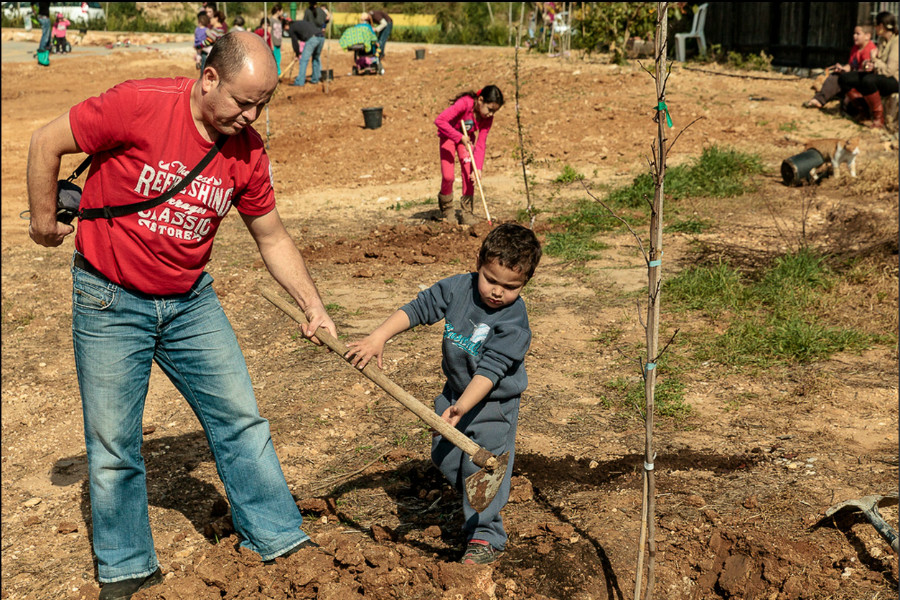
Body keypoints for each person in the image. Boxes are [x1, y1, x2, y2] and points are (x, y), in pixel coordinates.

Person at [26, 31, 336, 600]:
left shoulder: (249, 153)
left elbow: (270, 236)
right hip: (110, 299)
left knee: (240, 420)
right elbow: (47, 141)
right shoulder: (139, 104)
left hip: (191, 301)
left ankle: (276, 536)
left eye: (263, 103)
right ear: (210, 77)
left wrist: (314, 306)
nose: (252, 115)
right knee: (115, 447)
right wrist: (43, 221)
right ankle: (127, 569)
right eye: (244, 101)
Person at [345, 223, 542, 566]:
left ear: (524, 283)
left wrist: (462, 407)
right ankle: (471, 498)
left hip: (493, 405)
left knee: (484, 472)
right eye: (491, 280)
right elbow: (419, 308)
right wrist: (379, 337)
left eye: (511, 287)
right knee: (444, 456)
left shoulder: (514, 320)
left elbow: (491, 370)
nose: (498, 292)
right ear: (478, 263)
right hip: (454, 393)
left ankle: (486, 535)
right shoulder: (458, 288)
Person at [433, 86, 504, 225]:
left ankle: (467, 212)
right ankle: (447, 209)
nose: (491, 114)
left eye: (495, 111)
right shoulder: (465, 103)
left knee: (470, 174)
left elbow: (481, 144)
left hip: (466, 140)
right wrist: (459, 137)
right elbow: (440, 121)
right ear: (480, 100)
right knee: (448, 176)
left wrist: (478, 168)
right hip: (449, 136)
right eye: (489, 109)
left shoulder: (487, 119)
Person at [838, 11, 899, 128]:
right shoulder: (882, 40)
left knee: (868, 80)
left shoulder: (896, 42)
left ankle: (878, 119)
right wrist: (869, 64)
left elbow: (889, 71)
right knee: (845, 78)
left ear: (881, 26)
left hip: (894, 80)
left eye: (876, 25)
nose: (875, 28)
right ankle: (863, 111)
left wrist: (874, 61)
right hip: (881, 76)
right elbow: (877, 62)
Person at [804, 25, 877, 109]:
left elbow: (865, 71)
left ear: (867, 36)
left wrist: (846, 73)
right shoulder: (855, 48)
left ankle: (825, 100)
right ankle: (819, 100)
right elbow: (851, 65)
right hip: (852, 78)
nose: (854, 36)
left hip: (862, 82)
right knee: (835, 75)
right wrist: (843, 69)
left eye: (858, 34)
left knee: (838, 78)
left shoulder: (869, 49)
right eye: (854, 33)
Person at [288, 18, 325, 87]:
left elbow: (295, 43)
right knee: (316, 58)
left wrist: (297, 54)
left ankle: (300, 82)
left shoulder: (292, 28)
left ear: (286, 25)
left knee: (303, 60)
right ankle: (315, 79)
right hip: (321, 37)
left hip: (313, 38)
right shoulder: (300, 23)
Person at [34, 2, 51, 66]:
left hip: (41, 17)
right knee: (45, 36)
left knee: (47, 35)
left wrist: (34, 11)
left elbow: (32, 3)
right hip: (44, 18)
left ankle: (46, 52)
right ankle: (42, 53)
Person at [270, 4, 284, 77]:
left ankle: (277, 74)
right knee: (274, 60)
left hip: (278, 43)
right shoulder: (271, 20)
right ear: (278, 11)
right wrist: (271, 43)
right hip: (273, 43)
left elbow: (280, 33)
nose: (282, 12)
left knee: (278, 59)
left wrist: (281, 44)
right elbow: (269, 33)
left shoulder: (279, 21)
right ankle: (276, 74)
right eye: (281, 10)